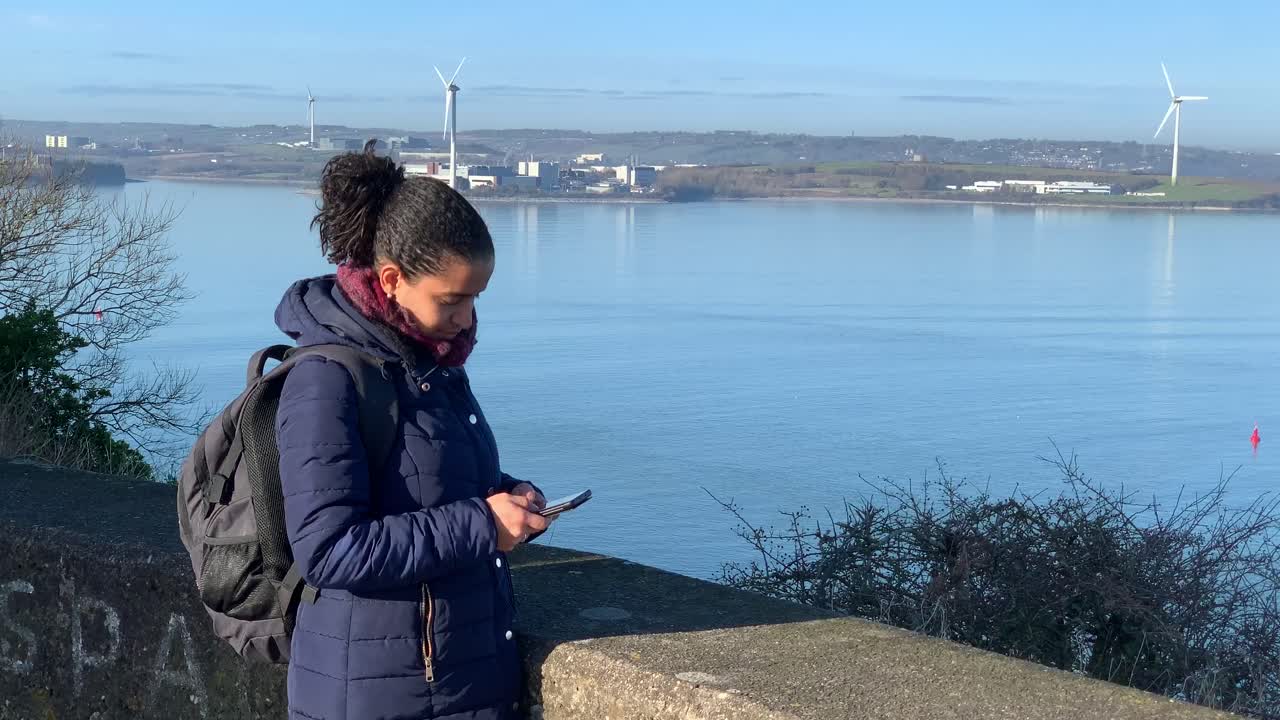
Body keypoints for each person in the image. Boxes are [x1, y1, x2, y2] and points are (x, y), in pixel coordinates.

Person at [274, 140, 551, 720]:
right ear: (394, 278)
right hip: (377, 696)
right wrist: (481, 525)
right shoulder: (326, 379)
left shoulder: (429, 359)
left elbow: (424, 475)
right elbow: (328, 550)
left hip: (453, 688)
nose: (467, 319)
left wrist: (503, 495)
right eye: (453, 300)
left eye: (476, 298)